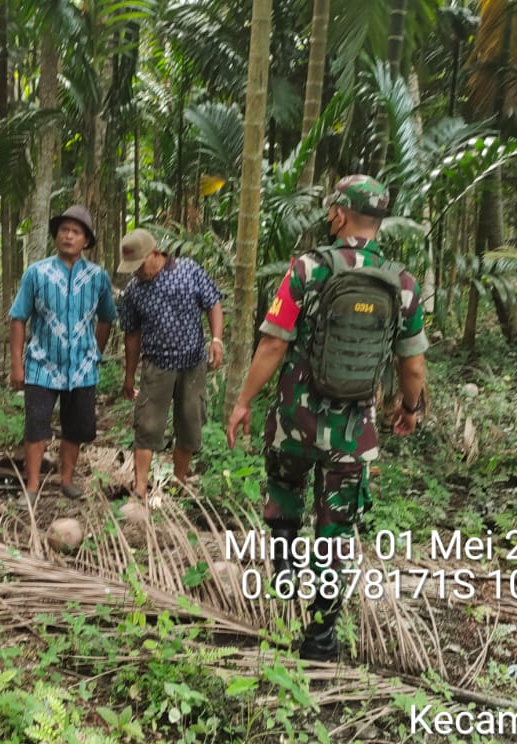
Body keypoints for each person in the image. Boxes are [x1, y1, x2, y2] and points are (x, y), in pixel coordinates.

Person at [225, 174, 427, 661]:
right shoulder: (402, 283)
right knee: (336, 531)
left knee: (284, 484)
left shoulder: (307, 268)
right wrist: (409, 408)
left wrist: (243, 400)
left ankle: (286, 564)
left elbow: (273, 344)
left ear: (338, 214)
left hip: (295, 418)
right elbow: (413, 366)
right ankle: (319, 638)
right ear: (379, 221)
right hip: (352, 432)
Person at [9, 204, 118, 501]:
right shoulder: (37, 273)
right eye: (64, 230)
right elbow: (18, 317)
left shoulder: (97, 277)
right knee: (36, 426)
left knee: (76, 428)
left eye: (76, 232)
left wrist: (96, 352)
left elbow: (107, 317)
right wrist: (17, 365)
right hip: (41, 365)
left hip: (82, 368)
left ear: (86, 240)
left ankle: (66, 481)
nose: (69, 236)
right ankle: (32, 486)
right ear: (56, 235)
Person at [116, 228, 225, 499]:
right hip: (156, 365)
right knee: (147, 426)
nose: (137, 272)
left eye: (139, 265)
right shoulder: (133, 291)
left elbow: (213, 303)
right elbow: (132, 335)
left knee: (189, 424)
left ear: (155, 253)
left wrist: (217, 339)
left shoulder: (188, 270)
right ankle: (140, 488)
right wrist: (129, 375)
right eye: (132, 268)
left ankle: (178, 482)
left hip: (192, 364)